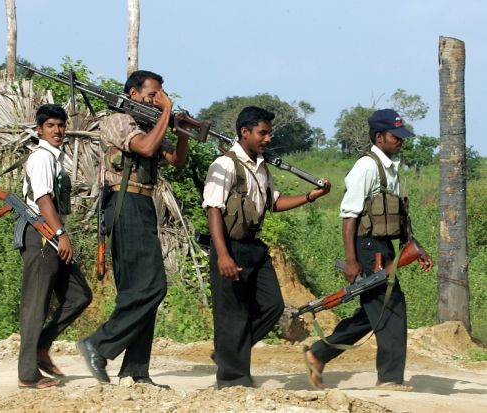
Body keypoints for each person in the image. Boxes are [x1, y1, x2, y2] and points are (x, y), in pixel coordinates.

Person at [304, 108, 433, 391]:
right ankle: (389, 379)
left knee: (374, 312)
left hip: (385, 247)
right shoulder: (366, 167)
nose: (400, 141)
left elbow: (399, 214)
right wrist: (351, 261)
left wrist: (416, 248)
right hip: (367, 248)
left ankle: (318, 353)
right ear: (379, 136)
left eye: (401, 136)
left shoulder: (391, 168)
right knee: (392, 308)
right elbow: (349, 216)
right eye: (395, 136)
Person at [202, 106, 331, 389]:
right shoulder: (224, 165)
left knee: (272, 306)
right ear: (244, 132)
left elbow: (274, 203)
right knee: (232, 314)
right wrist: (222, 254)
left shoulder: (261, 166)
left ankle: (227, 355)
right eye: (263, 132)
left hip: (254, 248)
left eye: (269, 133)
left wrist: (311, 196)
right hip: (231, 247)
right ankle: (233, 381)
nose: (268, 138)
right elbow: (213, 209)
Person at [77, 70, 189, 387]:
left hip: (142, 207)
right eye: (153, 95)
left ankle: (136, 370)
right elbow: (144, 149)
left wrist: (180, 131)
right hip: (124, 204)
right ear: (133, 94)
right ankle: (97, 345)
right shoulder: (119, 121)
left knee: (141, 292)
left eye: (161, 95)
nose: (158, 100)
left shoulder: (150, 125)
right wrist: (167, 113)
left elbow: (175, 159)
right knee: (152, 287)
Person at [18, 103, 93, 389]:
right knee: (36, 305)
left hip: (51, 236)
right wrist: (61, 234)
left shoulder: (55, 158)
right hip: (41, 236)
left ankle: (41, 346)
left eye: (61, 125)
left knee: (79, 295)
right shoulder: (41, 158)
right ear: (40, 130)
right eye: (51, 126)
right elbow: (43, 199)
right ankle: (27, 374)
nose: (58, 130)